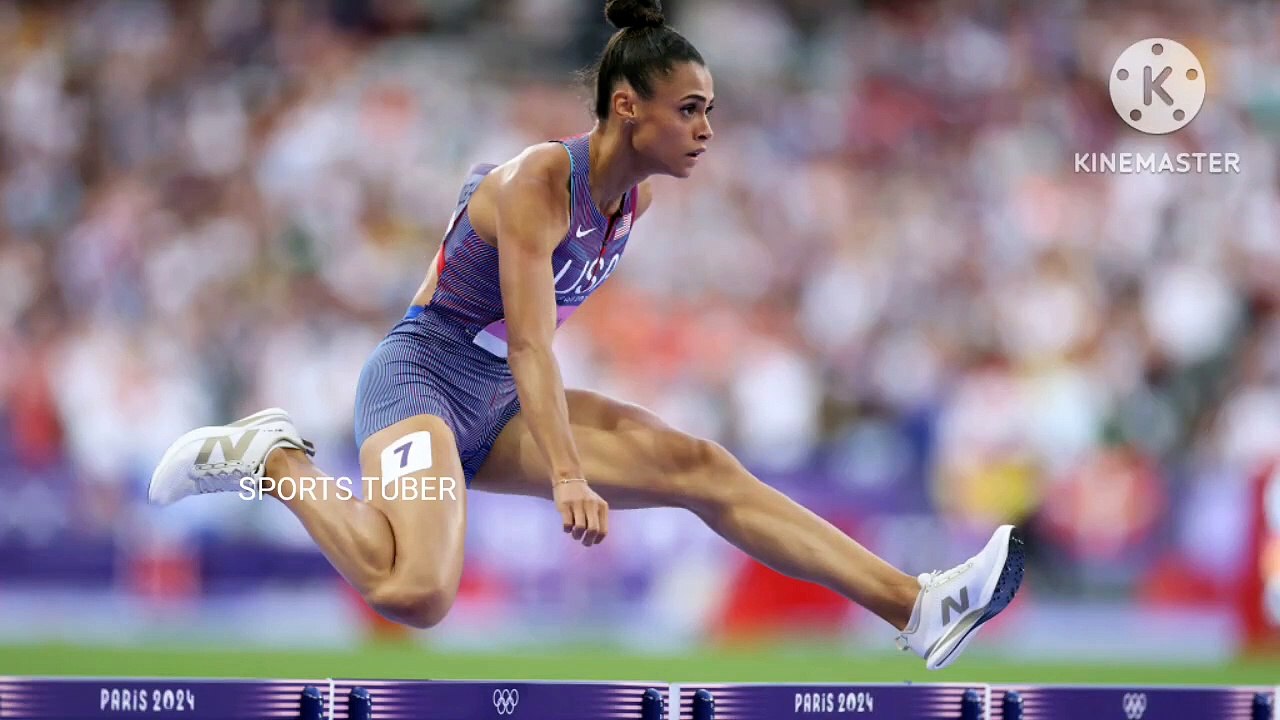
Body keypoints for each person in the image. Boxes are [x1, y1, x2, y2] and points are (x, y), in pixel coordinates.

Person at [148, 0, 1023, 670]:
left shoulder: (628, 201)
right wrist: (569, 473)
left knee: (703, 468)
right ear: (627, 107)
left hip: (498, 397)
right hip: (420, 379)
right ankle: (274, 460)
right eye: (690, 109)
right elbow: (530, 341)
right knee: (416, 592)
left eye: (710, 108)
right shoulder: (540, 179)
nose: (708, 129)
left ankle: (918, 608)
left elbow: (522, 335)